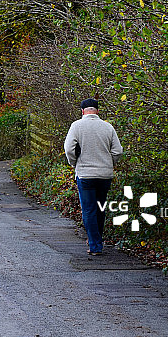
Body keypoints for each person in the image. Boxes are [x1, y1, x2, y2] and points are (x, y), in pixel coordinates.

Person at [64, 98, 123, 255]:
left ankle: (95, 245)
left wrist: (74, 163)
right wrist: (109, 163)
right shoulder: (108, 127)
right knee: (100, 208)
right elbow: (118, 151)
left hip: (85, 175)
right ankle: (96, 239)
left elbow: (69, 149)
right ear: (97, 111)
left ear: (82, 111)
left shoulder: (76, 126)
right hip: (104, 175)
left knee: (89, 210)